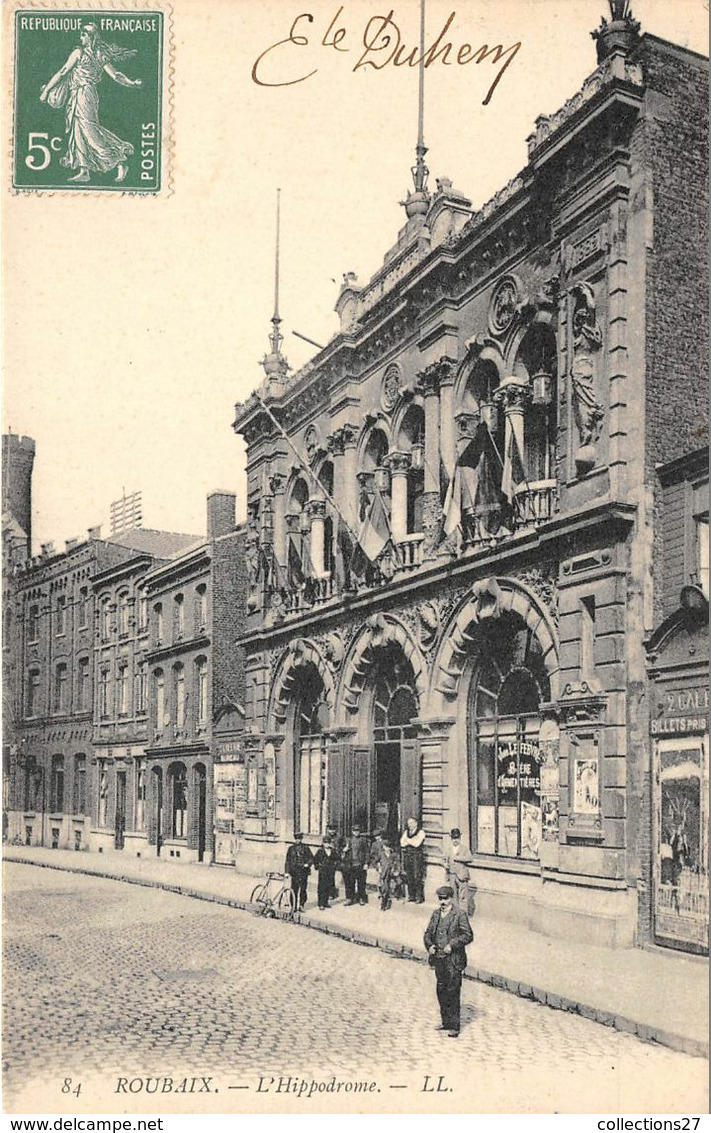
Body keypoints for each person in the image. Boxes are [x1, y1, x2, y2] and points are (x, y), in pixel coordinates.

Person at [39, 24, 142, 184]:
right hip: (77, 94)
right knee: (78, 130)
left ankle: (119, 160)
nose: (80, 37)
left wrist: (131, 83)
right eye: (80, 34)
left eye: (83, 34)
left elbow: (115, 75)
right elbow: (64, 71)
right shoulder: (87, 53)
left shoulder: (85, 53)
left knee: (89, 130)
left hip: (86, 95)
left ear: (91, 36)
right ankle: (84, 170)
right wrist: (132, 83)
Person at [424, 884, 474, 1038]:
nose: (442, 902)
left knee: (453, 990)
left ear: (451, 899)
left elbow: (468, 935)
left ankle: (454, 1025)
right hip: (439, 959)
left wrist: (452, 945)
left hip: (453, 960)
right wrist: (430, 946)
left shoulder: (459, 915)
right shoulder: (435, 914)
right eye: (440, 899)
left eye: (445, 899)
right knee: (441, 990)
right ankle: (445, 1021)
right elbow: (427, 934)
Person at [444, 827, 472, 913]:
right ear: (451, 839)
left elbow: (470, 858)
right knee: (453, 895)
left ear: (460, 838)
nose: (455, 840)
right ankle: (455, 914)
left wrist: (458, 858)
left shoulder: (464, 848)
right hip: (452, 874)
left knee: (463, 896)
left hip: (462, 875)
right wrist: (444, 864)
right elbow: (443, 859)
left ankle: (463, 915)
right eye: (453, 838)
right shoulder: (448, 849)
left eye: (457, 838)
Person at [284, 832, 314, 911]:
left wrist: (308, 864)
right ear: (295, 839)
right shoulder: (291, 849)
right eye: (297, 839)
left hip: (303, 871)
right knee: (294, 889)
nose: (298, 840)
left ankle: (301, 905)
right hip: (294, 872)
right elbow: (288, 861)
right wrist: (287, 872)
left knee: (303, 889)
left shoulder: (306, 848)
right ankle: (293, 906)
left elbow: (311, 858)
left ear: (301, 839)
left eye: (299, 839)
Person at [341, 822, 369, 906]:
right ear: (352, 831)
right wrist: (344, 850)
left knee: (361, 883)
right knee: (350, 883)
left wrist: (366, 863)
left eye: (358, 831)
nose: (356, 832)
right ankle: (349, 898)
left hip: (360, 864)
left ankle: (361, 898)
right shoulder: (348, 840)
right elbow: (341, 850)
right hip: (350, 865)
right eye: (354, 831)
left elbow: (367, 852)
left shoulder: (363, 840)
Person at [400, 817, 426, 903]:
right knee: (409, 876)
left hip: (417, 857)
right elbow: (402, 843)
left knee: (417, 876)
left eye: (411, 823)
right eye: (408, 823)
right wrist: (411, 840)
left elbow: (417, 844)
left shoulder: (421, 832)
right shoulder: (406, 832)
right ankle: (412, 896)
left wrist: (408, 840)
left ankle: (419, 897)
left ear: (416, 823)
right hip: (408, 856)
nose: (410, 825)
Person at [314, 839, 339, 910]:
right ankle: (321, 903)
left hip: (330, 871)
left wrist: (335, 866)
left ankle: (326, 902)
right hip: (323, 871)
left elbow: (337, 859)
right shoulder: (320, 851)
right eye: (325, 843)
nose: (327, 844)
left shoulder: (333, 851)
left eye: (328, 843)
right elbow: (315, 860)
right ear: (323, 843)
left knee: (328, 886)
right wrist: (318, 867)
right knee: (322, 887)